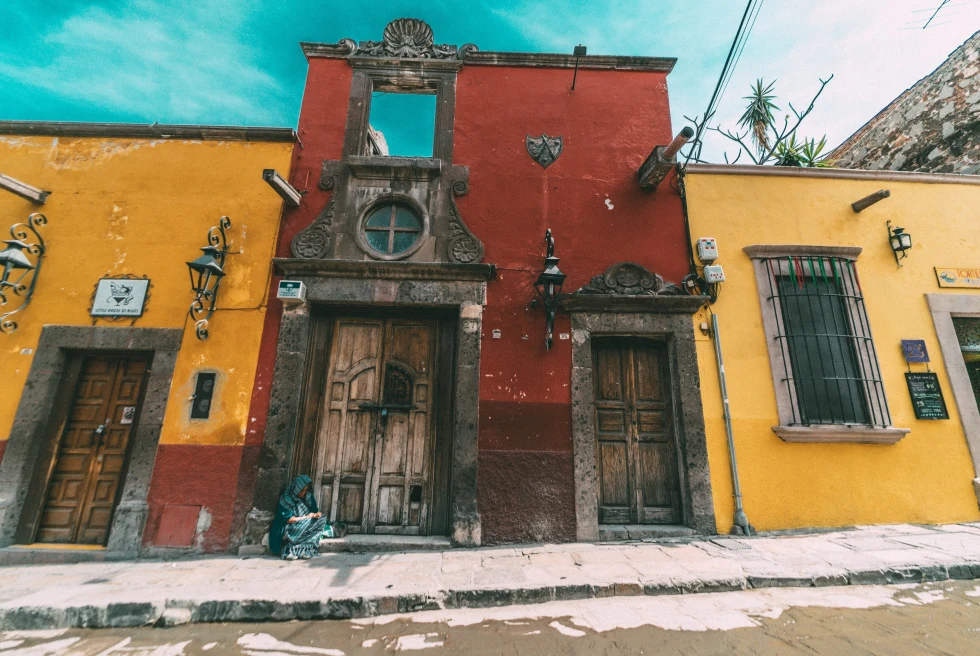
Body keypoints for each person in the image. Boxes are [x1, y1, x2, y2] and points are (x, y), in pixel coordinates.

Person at [269, 475, 326, 560]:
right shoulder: (286, 500)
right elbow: (289, 520)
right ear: (295, 488)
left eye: (305, 490)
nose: (303, 493)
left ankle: (305, 551)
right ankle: (290, 550)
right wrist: (306, 517)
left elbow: (314, 510)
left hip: (304, 523)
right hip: (290, 527)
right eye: (301, 490)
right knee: (309, 526)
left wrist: (316, 515)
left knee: (321, 520)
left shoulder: (307, 497)